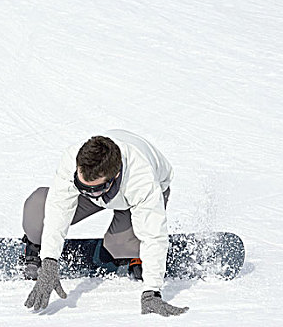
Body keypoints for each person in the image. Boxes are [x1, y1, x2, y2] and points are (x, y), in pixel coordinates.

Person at [22, 129, 189, 316]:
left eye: (92, 189)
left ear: (114, 177)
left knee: (121, 245)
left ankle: (136, 253)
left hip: (133, 197)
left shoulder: (141, 179)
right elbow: (58, 210)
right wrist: (50, 259)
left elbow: (153, 236)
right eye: (80, 185)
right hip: (101, 192)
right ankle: (36, 244)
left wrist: (152, 291)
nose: (85, 191)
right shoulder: (74, 159)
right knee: (37, 213)